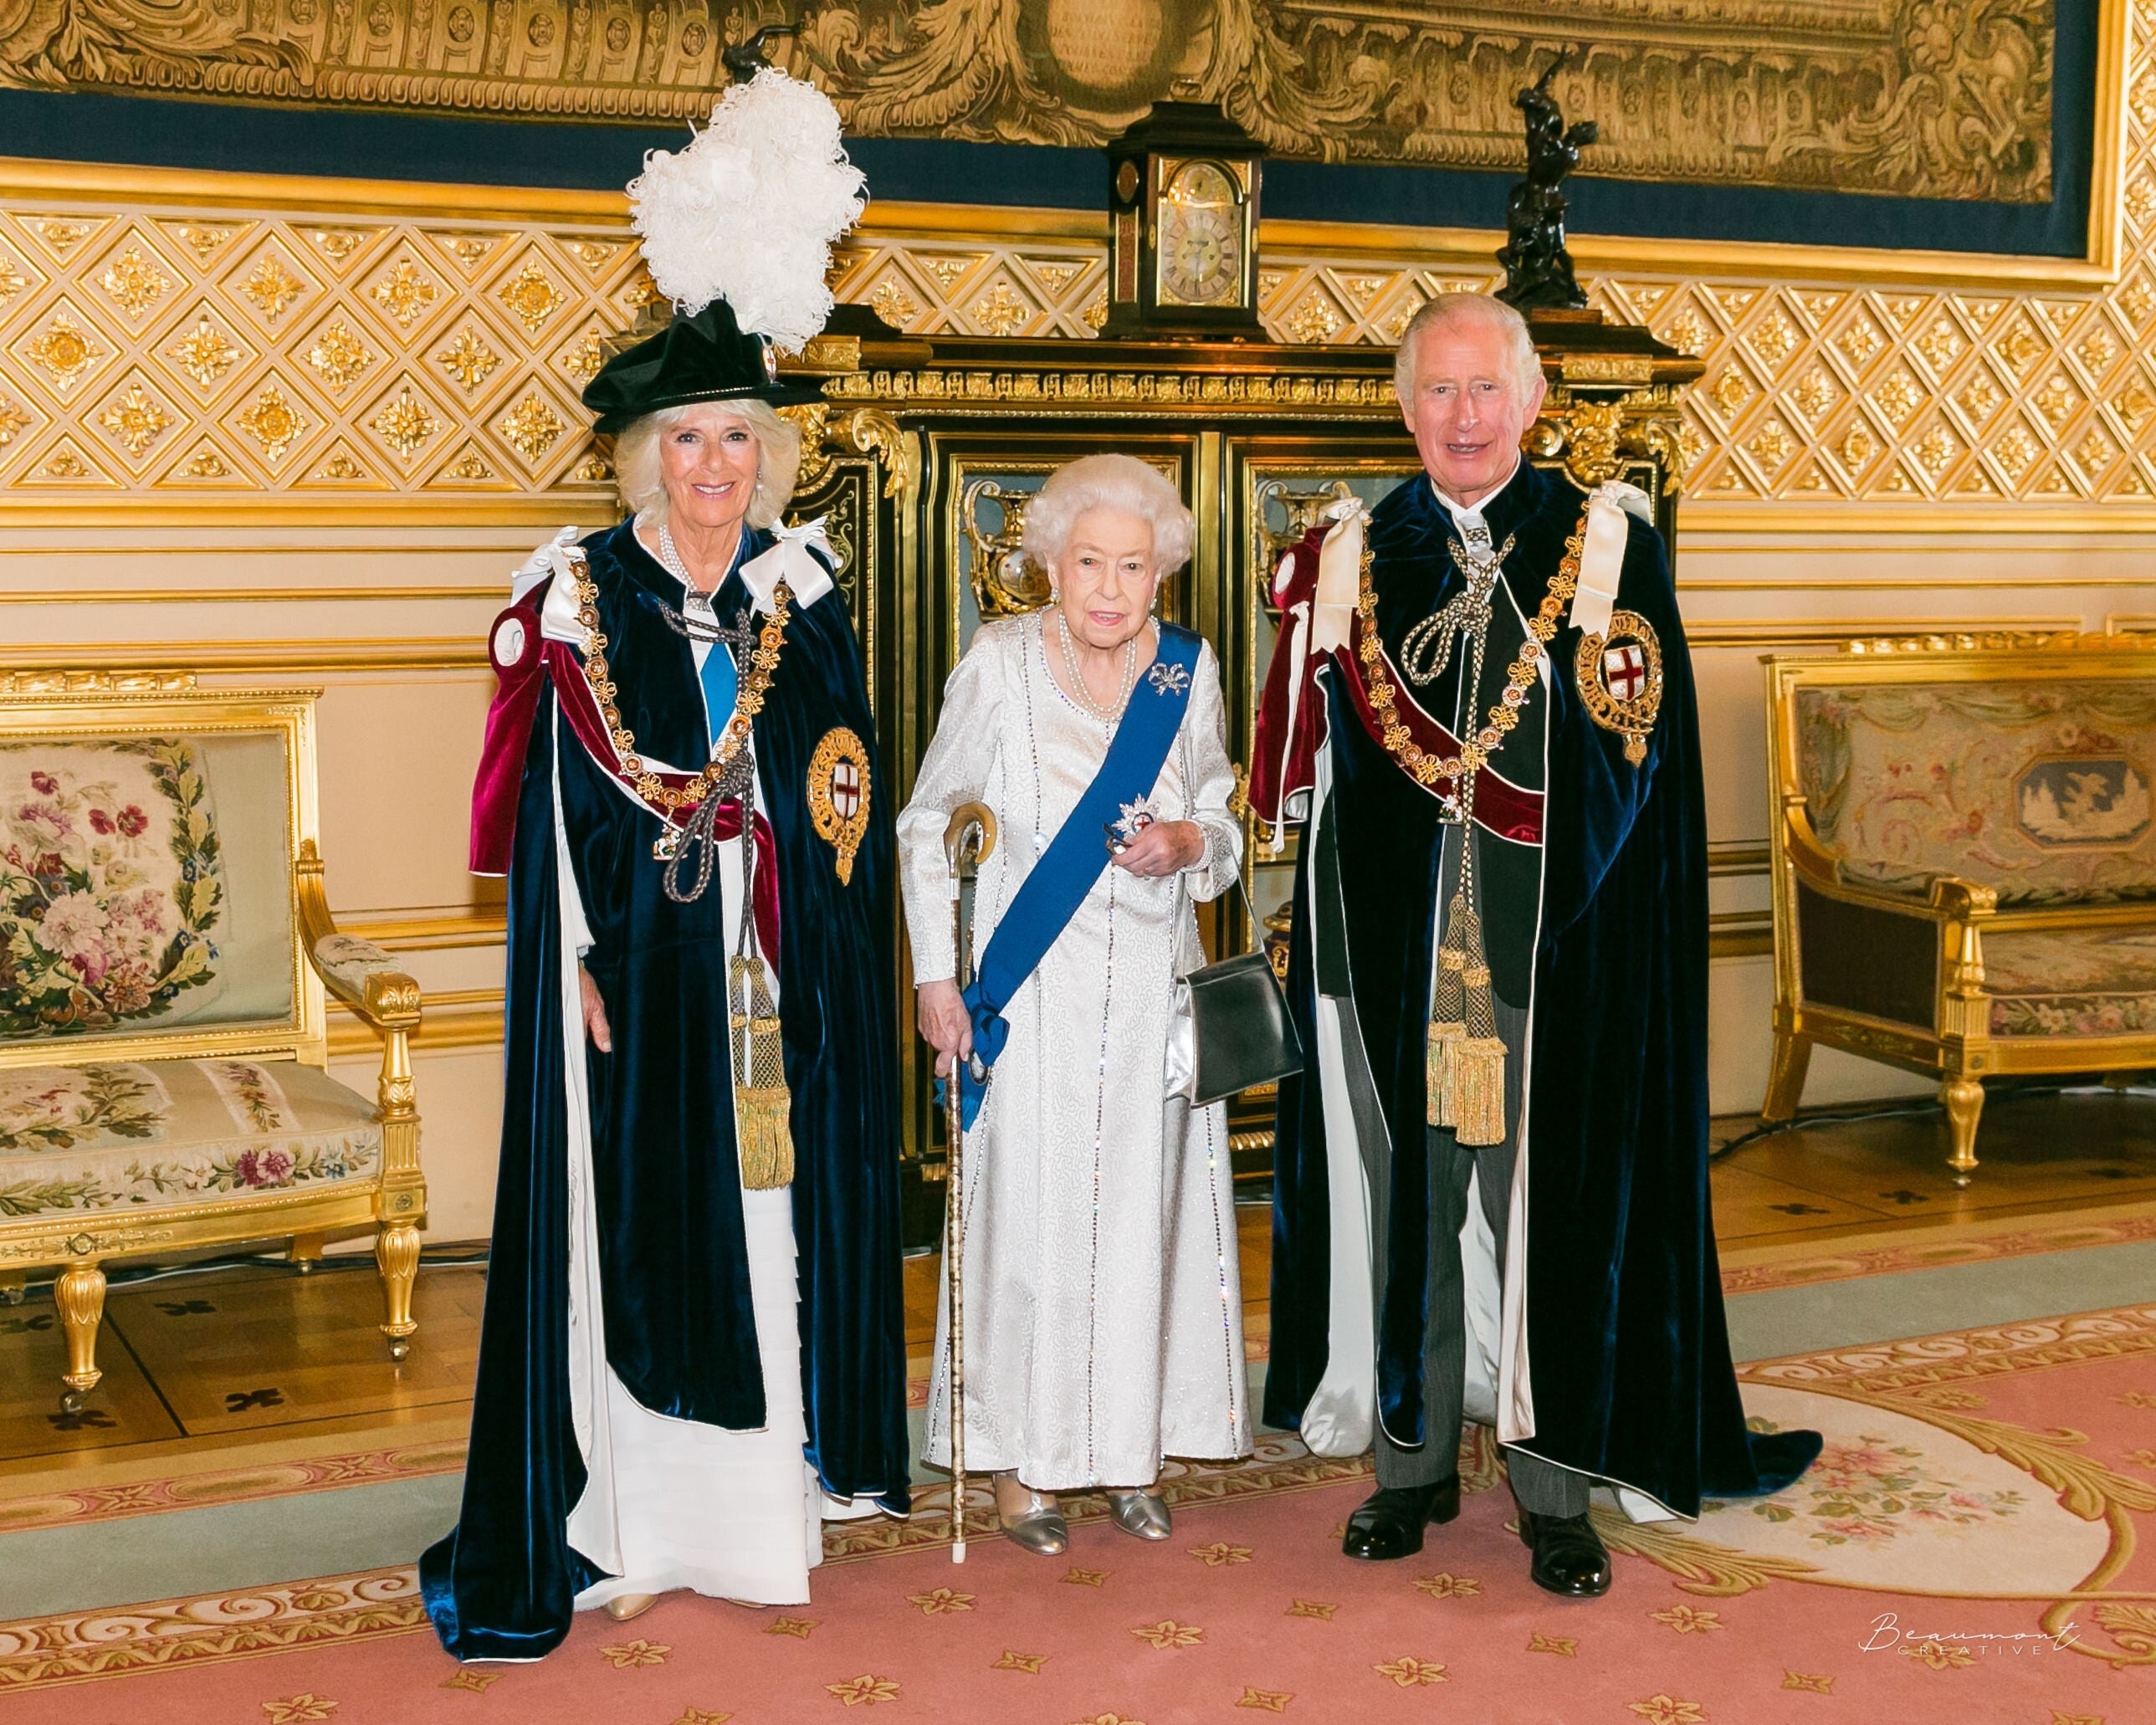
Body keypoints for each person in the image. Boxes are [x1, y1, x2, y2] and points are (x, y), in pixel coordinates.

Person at [422, 71, 909, 1661]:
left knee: (765, 1220)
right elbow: (532, 801)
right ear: (645, 455)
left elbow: (847, 782)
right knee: (639, 1229)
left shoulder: (800, 593)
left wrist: (820, 912)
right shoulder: (572, 596)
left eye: (735, 439)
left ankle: (765, 1510)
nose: (711, 465)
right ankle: (635, 1515)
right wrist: (561, 957)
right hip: (633, 972)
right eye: (685, 438)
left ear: (769, 456)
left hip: (770, 973)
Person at [1252, 293, 1817, 1597]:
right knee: (1409, 1215)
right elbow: (1326, 779)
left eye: (1483, 389)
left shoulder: (1602, 542)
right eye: (1437, 392)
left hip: (1552, 961)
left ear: (1530, 400)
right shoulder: (1349, 551)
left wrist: (1579, 945)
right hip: (1399, 955)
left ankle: (1554, 1486)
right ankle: (1410, 1472)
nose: (1461, 416)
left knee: (1546, 1221)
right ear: (1404, 410)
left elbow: (1642, 762)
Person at [898, 454, 1252, 1555]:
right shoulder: (999, 666)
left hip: (1150, 1002)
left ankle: (1128, 1454)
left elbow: (1222, 818)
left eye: (1132, 566)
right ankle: (1018, 1466)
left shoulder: (1184, 674)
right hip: (1031, 998)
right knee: (1027, 1228)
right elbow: (924, 823)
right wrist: (933, 974)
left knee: (1143, 1223)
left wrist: (1188, 840)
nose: (1108, 586)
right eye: (1088, 560)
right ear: (1049, 562)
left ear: (1162, 573)